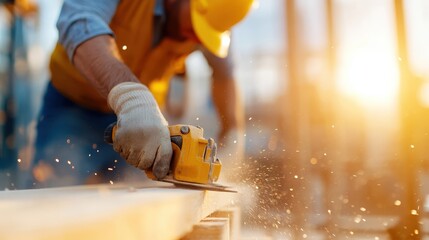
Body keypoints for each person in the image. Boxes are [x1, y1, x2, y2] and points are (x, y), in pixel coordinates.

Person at [29, 0, 252, 188]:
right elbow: (79, 21)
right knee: (51, 190)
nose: (194, 39)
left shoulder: (214, 16)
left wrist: (233, 131)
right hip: (73, 103)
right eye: (193, 27)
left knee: (136, 204)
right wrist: (130, 97)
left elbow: (225, 75)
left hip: (146, 124)